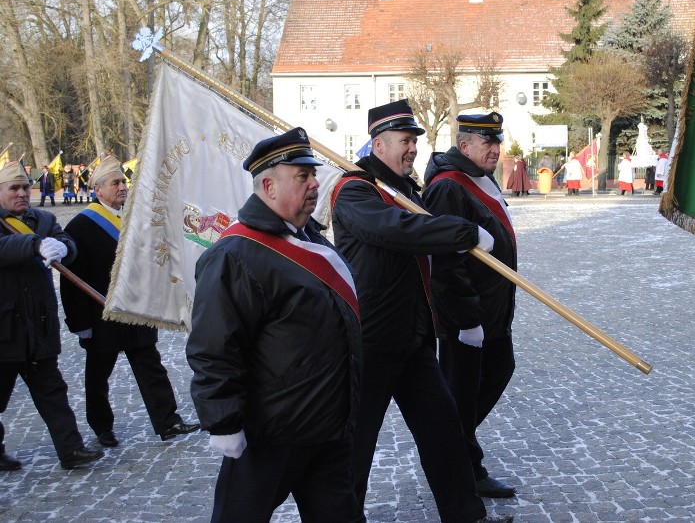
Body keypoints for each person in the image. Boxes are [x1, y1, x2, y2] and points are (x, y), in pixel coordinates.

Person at [331, 99, 512, 523]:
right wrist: (465, 232)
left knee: (444, 432)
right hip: (372, 339)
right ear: (378, 144)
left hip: (414, 338)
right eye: (404, 141)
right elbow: (399, 231)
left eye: (414, 141)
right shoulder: (354, 191)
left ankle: (465, 514)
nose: (412, 149)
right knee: (357, 445)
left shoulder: (407, 189)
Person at [187, 128, 365, 523]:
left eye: (313, 175)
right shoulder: (236, 254)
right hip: (271, 433)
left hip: (328, 428)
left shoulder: (312, 239)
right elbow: (214, 345)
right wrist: (223, 420)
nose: (315, 183)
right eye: (302, 176)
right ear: (268, 185)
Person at [60, 156, 200, 448]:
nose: (122, 187)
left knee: (152, 368)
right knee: (98, 378)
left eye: (123, 181)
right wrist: (80, 324)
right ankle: (102, 428)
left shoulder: (132, 219)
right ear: (98, 190)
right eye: (116, 183)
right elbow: (71, 282)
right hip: (102, 316)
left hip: (136, 310)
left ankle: (168, 421)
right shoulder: (80, 226)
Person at [422, 112, 518, 499]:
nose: (495, 149)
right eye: (486, 142)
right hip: (467, 316)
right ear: (465, 146)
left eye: (497, 141)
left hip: (492, 310)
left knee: (497, 371)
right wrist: (465, 319)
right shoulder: (449, 187)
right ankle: (462, 467)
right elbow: (445, 260)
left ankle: (450, 450)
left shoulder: (480, 177)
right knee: (461, 393)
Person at [0, 161, 104, 471]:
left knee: (53, 392)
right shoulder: (27, 230)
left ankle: (71, 450)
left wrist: (62, 247)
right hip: (4, 328)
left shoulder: (43, 219)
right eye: (13, 188)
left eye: (23, 187)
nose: (21, 193)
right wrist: (33, 243)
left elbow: (69, 247)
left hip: (39, 325)